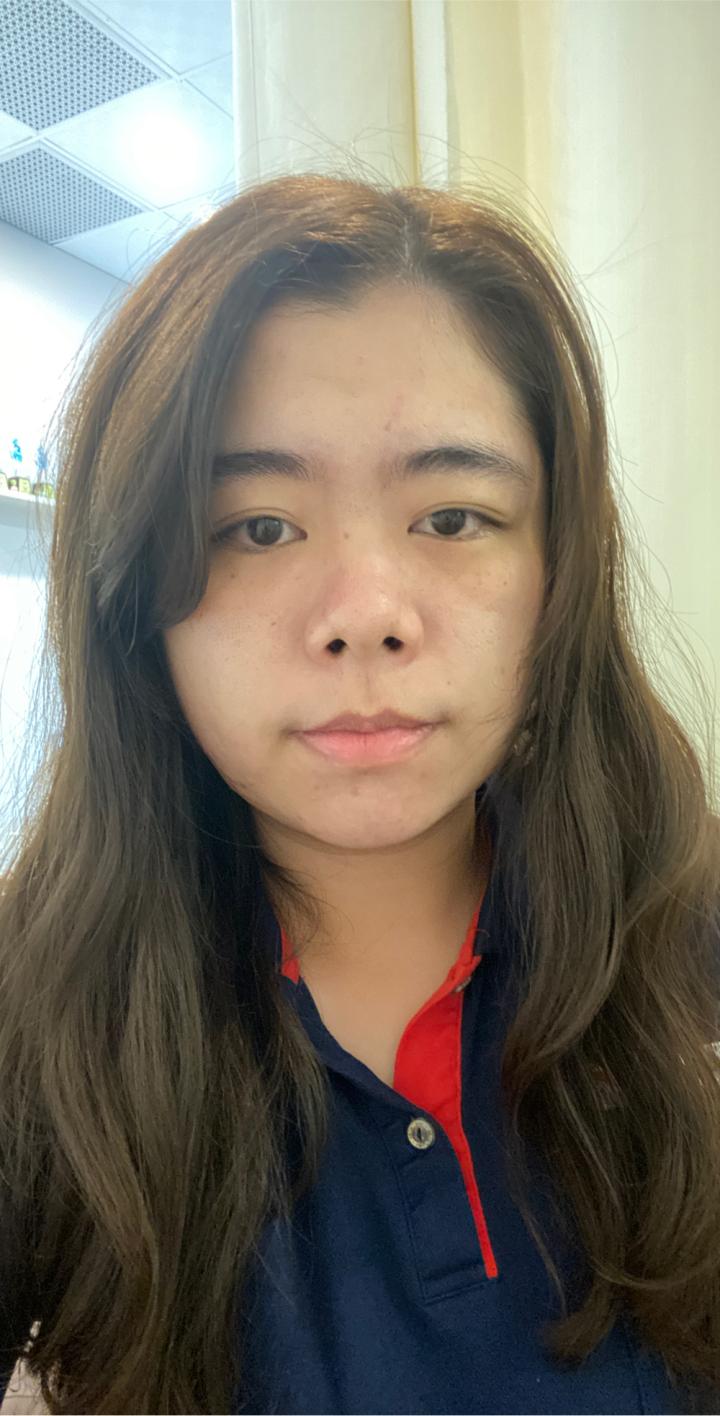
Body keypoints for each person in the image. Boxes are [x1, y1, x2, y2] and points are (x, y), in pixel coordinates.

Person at [0, 169, 718, 1416]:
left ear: (557, 570)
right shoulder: (30, 999)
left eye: (455, 516)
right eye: (258, 527)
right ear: (136, 595)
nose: (367, 615)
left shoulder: (687, 917)